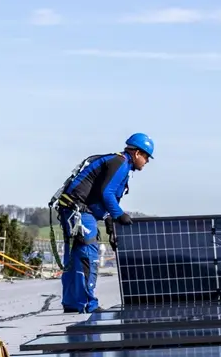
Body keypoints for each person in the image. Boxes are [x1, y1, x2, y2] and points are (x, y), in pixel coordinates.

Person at [52, 133, 154, 313]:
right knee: (88, 256)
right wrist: (120, 215)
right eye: (146, 157)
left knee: (74, 257)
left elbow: (102, 197)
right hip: (80, 211)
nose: (146, 162)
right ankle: (88, 304)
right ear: (137, 153)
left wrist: (110, 226)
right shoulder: (121, 163)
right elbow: (107, 193)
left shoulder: (118, 162)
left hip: (73, 209)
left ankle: (71, 303)